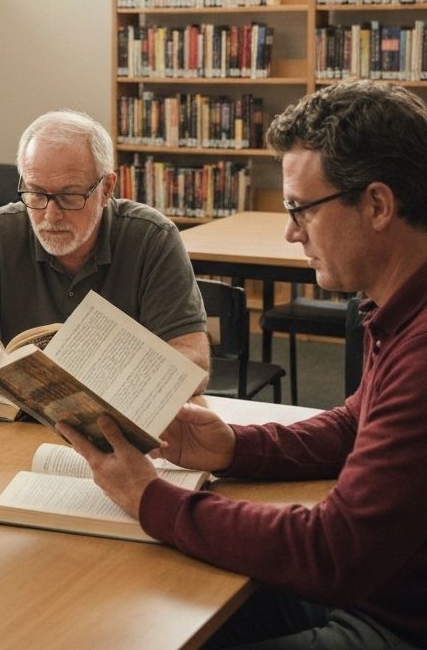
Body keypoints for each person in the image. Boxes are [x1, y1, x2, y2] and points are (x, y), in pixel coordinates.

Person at [56, 80, 427, 650]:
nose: (290, 231)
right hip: (377, 587)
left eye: (301, 209)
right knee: (144, 612)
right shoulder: (396, 302)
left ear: (377, 205)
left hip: (393, 619)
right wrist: (234, 447)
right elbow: (358, 423)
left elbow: (334, 550)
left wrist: (150, 499)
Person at [0, 109, 209, 391]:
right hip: (19, 422)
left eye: (69, 196)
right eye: (36, 193)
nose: (51, 215)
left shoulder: (152, 238)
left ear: (107, 188)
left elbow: (193, 359)